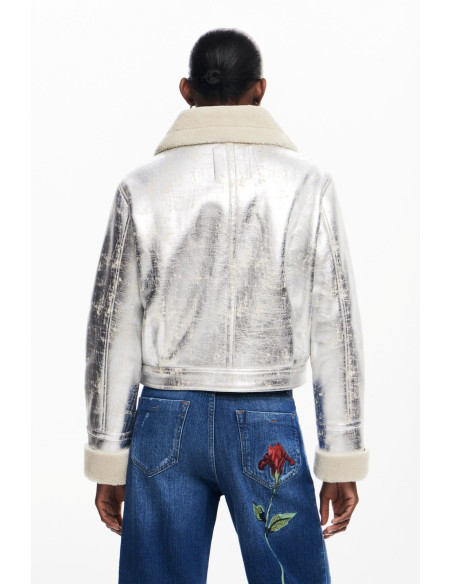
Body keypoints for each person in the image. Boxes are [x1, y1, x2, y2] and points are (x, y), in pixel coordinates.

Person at [83, 27, 369, 584]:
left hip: (164, 422)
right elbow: (336, 327)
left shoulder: (140, 187)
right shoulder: (307, 184)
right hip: (266, 423)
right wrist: (341, 453)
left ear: (186, 90)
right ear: (260, 90)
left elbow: (111, 332)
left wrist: (107, 453)